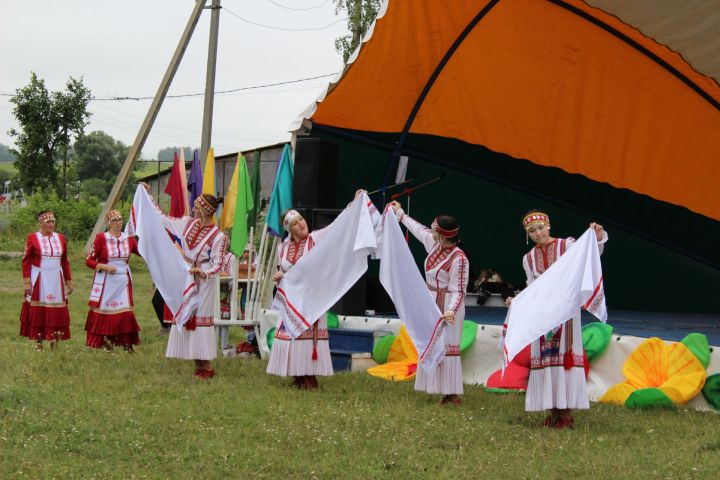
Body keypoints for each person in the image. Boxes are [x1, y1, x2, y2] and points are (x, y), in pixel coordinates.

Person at [507, 210, 608, 428]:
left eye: (541, 228)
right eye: (532, 231)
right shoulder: (528, 258)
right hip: (543, 315)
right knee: (546, 361)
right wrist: (518, 302)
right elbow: (532, 286)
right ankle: (553, 411)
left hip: (565, 313)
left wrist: (597, 237)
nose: (538, 233)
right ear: (527, 234)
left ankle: (565, 414)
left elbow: (590, 254)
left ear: (549, 226)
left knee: (564, 359)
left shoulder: (568, 246)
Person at [266, 189, 370, 389]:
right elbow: (287, 274)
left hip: (312, 298)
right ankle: (297, 375)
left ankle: (309, 376)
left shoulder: (317, 238)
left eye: (302, 219)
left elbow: (339, 225)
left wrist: (355, 203)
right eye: (296, 223)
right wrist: (280, 278)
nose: (302, 223)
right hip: (292, 301)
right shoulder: (283, 249)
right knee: (290, 337)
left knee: (306, 337)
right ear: (289, 229)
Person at [389, 201, 469, 406]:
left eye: (435, 230)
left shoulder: (459, 259)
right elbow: (419, 230)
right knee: (431, 342)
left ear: (443, 235)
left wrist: (450, 310)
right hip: (430, 303)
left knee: (447, 346)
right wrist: (400, 213)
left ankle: (452, 394)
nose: (430, 232)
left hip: (448, 307)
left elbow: (459, 289)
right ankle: (437, 388)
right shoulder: (434, 245)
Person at [149, 188, 230, 379]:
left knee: (200, 320)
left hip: (203, 282)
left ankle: (207, 367)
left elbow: (218, 264)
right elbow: (164, 220)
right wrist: (148, 198)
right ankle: (199, 365)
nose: (192, 209)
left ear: (204, 210)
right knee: (187, 318)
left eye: (196, 206)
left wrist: (203, 272)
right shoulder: (187, 224)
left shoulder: (219, 237)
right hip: (185, 277)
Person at [84, 209, 142, 352]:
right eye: (114, 220)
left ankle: (127, 344)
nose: (118, 223)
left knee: (125, 311)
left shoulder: (128, 239)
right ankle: (105, 342)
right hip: (106, 280)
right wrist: (103, 266)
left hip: (123, 280)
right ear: (109, 223)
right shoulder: (101, 238)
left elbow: (143, 252)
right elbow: (89, 261)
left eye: (120, 220)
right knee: (105, 311)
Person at [20, 210, 74, 349]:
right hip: (40, 278)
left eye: (52, 222)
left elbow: (65, 261)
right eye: (47, 222)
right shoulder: (32, 237)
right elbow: (26, 261)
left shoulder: (61, 238)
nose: (51, 225)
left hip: (56, 278)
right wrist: (27, 282)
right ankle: (38, 342)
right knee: (39, 308)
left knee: (55, 309)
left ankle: (54, 340)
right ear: (41, 223)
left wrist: (69, 281)